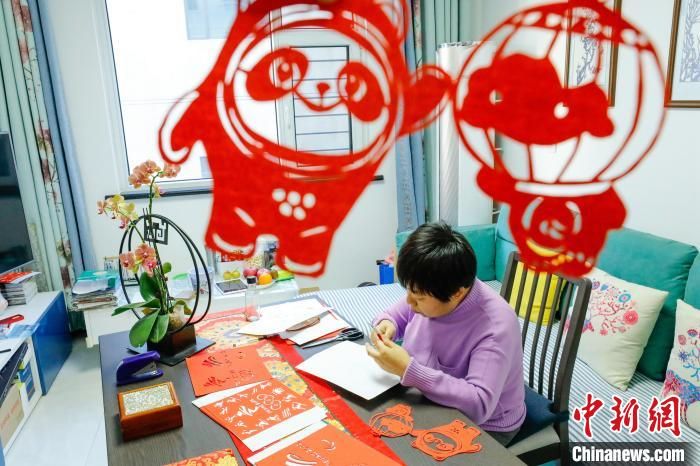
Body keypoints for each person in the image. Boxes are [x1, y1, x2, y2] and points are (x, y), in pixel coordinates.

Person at [366, 222, 526, 446]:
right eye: (408, 291)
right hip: (429, 398)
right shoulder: (437, 286)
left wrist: (408, 370)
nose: (410, 302)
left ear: (457, 293)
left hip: (484, 425)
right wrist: (387, 323)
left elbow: (479, 405)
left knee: (395, 448)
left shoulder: (495, 327)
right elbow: (395, 315)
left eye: (419, 298)